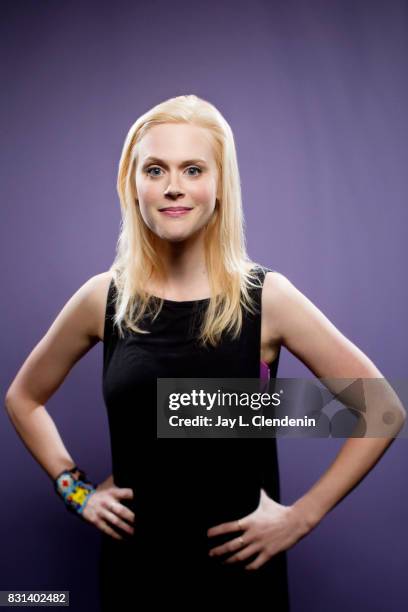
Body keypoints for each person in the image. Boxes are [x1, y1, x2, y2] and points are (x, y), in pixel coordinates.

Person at [4, 94, 405, 611]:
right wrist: (77, 492)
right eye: (155, 169)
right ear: (133, 183)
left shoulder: (267, 298)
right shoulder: (103, 297)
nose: (174, 186)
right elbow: (24, 398)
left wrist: (300, 517)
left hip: (239, 580)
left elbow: (380, 410)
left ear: (220, 185)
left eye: (193, 169)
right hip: (135, 575)